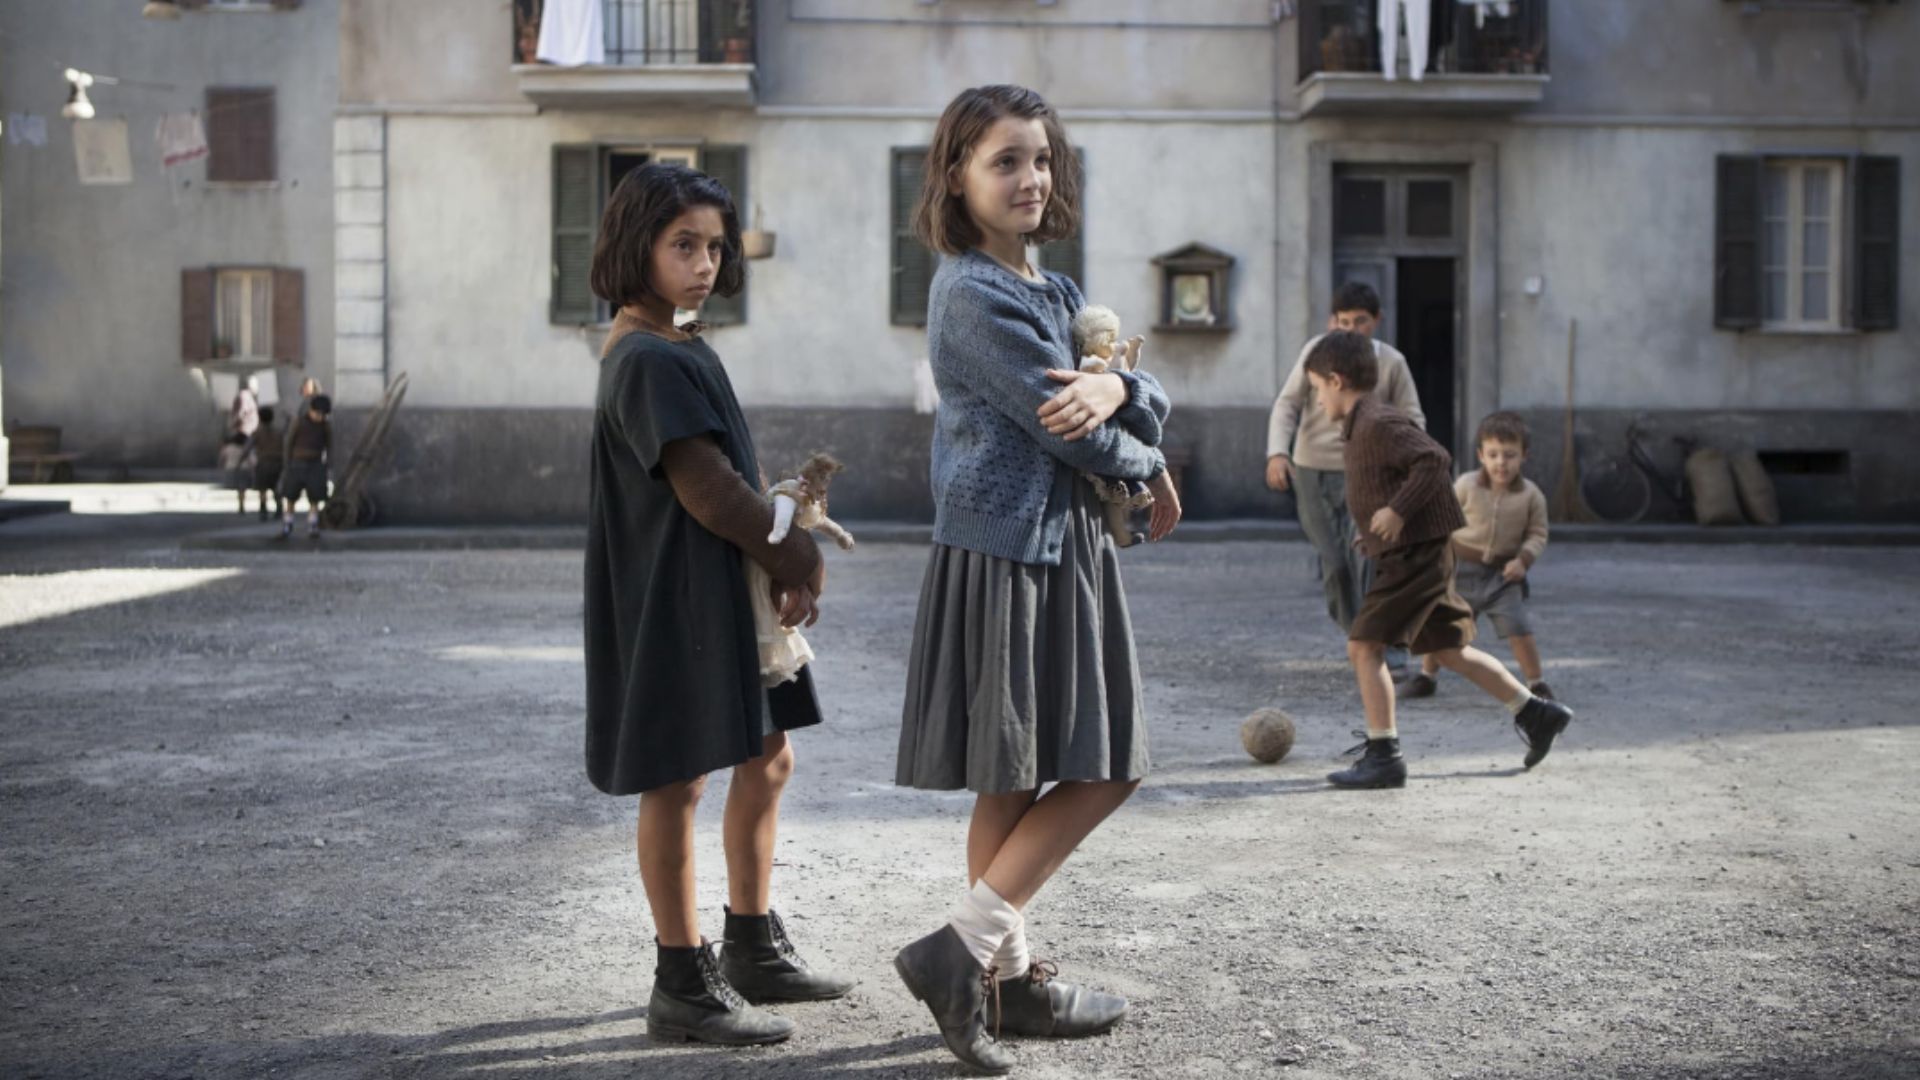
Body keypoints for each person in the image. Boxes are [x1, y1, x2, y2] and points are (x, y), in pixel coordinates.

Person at [891, 84, 1180, 1076]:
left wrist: (1126, 384)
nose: (1029, 177)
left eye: (1041, 158)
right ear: (958, 178)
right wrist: (1139, 436)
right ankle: (959, 953)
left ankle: (1007, 985)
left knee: (1016, 777)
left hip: (1064, 553)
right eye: (1003, 160)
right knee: (1109, 761)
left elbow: (1130, 398)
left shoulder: (1052, 294)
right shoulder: (973, 295)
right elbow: (1083, 438)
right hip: (1008, 553)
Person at [582, 162, 852, 1048]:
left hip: (722, 587)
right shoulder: (646, 356)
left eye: (714, 246)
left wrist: (771, 548)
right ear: (638, 250)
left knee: (767, 758)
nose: (703, 263)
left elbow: (732, 481)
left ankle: (750, 947)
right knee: (679, 778)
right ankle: (681, 980)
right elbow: (706, 491)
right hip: (676, 596)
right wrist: (795, 551)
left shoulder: (682, 341)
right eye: (682, 246)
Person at [1301, 332, 1572, 790]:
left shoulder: (1378, 421)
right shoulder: (1361, 425)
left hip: (1414, 557)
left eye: (1316, 388)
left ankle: (1384, 755)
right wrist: (1372, 534)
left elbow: (1433, 458)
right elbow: (1382, 485)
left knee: (1364, 646)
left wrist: (1397, 511)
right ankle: (1536, 712)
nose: (1317, 398)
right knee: (1448, 649)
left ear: (1336, 379)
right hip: (1415, 551)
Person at [1266, 283, 1424, 675]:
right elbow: (1287, 404)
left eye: (1361, 322)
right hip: (1312, 470)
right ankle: (1360, 633)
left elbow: (1413, 417)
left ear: (1377, 322)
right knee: (1335, 563)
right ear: (1331, 322)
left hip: (1368, 474)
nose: (1351, 329)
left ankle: (1384, 643)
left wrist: (1408, 466)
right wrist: (1277, 452)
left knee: (1370, 557)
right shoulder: (1317, 353)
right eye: (1343, 321)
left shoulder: (1391, 363)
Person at [1399, 412, 1556, 701]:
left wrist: (1523, 560)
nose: (1501, 462)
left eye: (1510, 455)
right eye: (1493, 454)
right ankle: (1426, 676)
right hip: (1459, 572)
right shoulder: (1466, 485)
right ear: (1480, 455)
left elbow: (1538, 534)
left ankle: (1537, 683)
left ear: (1524, 456)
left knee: (1519, 628)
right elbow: (1442, 518)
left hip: (1503, 575)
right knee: (1442, 628)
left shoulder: (1531, 496)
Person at [278, 394, 331, 540]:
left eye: (323, 415)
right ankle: (287, 524)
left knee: (315, 496)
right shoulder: (299, 423)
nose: (320, 417)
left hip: (315, 464)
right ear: (311, 411)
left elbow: (329, 445)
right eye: (318, 414)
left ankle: (312, 524)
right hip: (297, 463)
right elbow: (289, 443)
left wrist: (327, 464)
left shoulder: (325, 426)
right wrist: (287, 463)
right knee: (290, 496)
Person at [248, 405, 285, 523]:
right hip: (277, 463)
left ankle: (263, 510)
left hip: (264, 463)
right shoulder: (279, 432)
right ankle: (279, 508)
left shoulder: (257, 433)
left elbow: (248, 447)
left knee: (262, 489)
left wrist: (241, 460)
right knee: (275, 488)